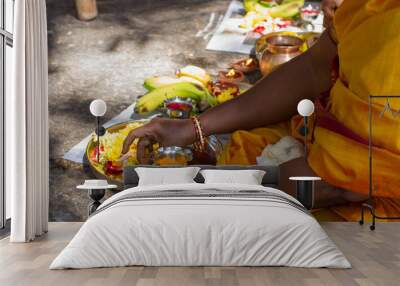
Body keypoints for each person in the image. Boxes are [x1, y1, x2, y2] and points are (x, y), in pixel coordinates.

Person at [122, 0, 400, 221]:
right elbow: (314, 68)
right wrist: (193, 127)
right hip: (327, 159)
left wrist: (196, 191)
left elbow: (339, 186)